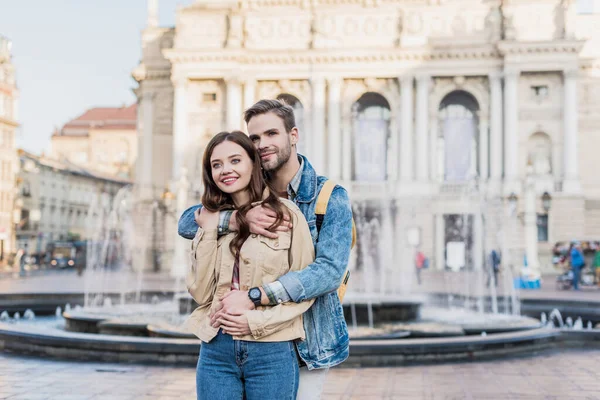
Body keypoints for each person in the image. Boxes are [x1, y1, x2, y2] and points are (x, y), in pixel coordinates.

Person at [179, 99, 354, 400]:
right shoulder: (246, 187)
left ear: (293, 135)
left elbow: (328, 272)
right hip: (234, 337)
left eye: (272, 134)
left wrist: (255, 296)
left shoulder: (328, 196)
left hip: (307, 338)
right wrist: (237, 217)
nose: (262, 145)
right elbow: (188, 222)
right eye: (255, 138)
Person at [185, 131, 316, 399]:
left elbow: (305, 289)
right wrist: (211, 230)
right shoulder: (210, 220)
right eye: (216, 164)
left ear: (253, 164)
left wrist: (255, 321)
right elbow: (200, 293)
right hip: (216, 349)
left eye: (235, 160)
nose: (225, 170)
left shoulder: (287, 215)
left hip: (272, 350)